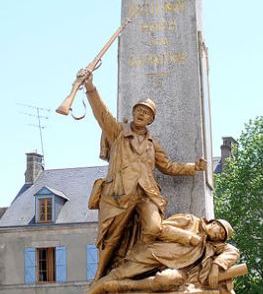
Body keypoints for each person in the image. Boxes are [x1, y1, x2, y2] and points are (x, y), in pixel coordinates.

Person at [79, 69, 207, 282]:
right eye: (139, 110)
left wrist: (194, 167)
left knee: (154, 228)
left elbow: (168, 166)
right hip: (119, 193)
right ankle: (100, 276)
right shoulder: (118, 131)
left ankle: (139, 263)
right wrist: (90, 87)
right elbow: (101, 113)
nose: (141, 114)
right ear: (134, 111)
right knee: (111, 238)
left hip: (146, 193)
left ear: (151, 119)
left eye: (146, 113)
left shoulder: (152, 143)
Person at [64, 216, 240, 294]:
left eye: (221, 235)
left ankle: (125, 287)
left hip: (172, 268)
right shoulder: (190, 221)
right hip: (152, 254)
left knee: (169, 279)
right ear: (213, 222)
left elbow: (233, 251)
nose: (218, 233)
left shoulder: (210, 246)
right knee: (115, 275)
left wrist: (217, 265)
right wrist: (188, 237)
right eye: (219, 228)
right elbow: (161, 229)